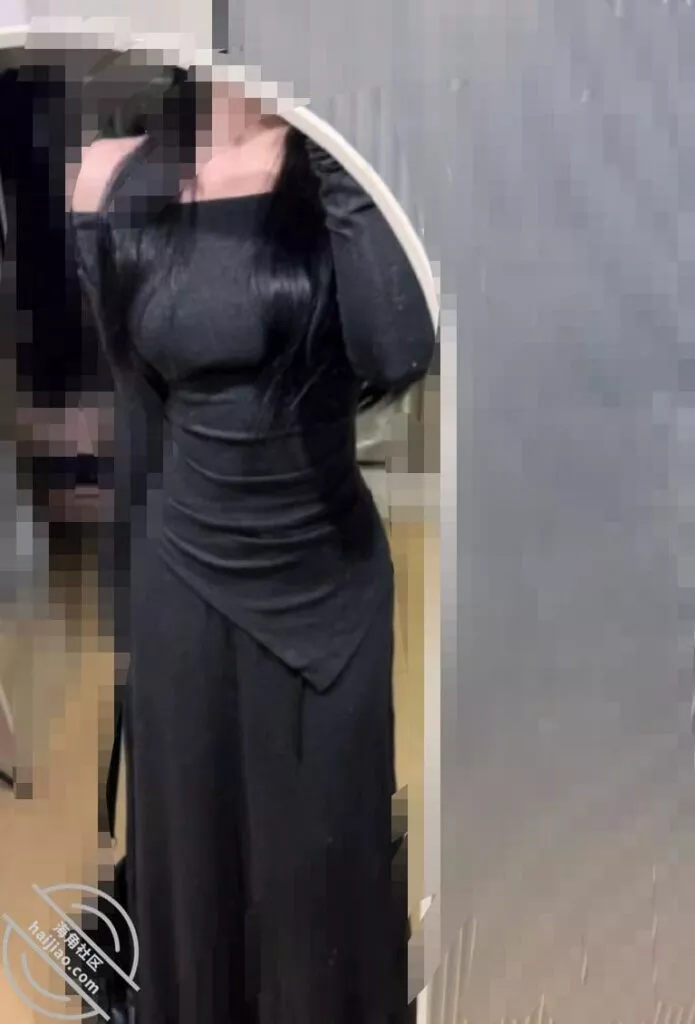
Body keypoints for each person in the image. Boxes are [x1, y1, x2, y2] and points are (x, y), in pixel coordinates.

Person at [70, 68, 435, 1024]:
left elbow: (397, 352)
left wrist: (335, 128)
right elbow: (139, 426)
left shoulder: (353, 179)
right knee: (194, 889)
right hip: (183, 592)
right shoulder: (112, 178)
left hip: (327, 601)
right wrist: (132, 637)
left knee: (324, 891)